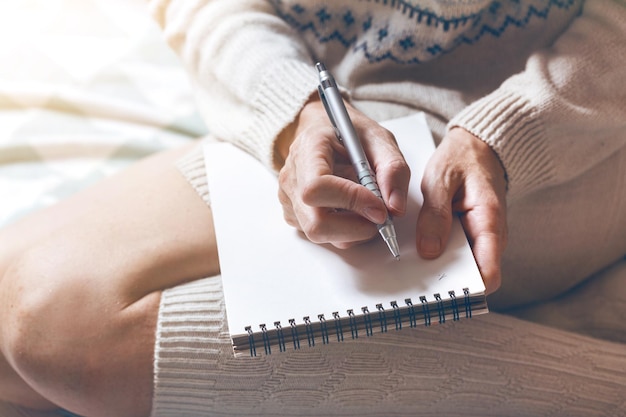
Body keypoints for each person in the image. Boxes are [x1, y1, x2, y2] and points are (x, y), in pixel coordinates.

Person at [1, 0, 625, 416]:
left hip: (544, 146)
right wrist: (294, 108)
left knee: (58, 329)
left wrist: (502, 135)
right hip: (314, 119)